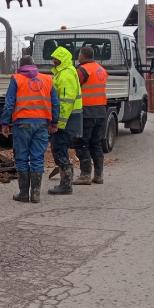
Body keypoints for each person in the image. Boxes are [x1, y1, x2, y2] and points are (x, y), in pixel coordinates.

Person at [0, 56, 59, 203]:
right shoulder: (47, 79)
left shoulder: (17, 79)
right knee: (37, 158)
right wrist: (54, 122)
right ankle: (36, 194)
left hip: (22, 124)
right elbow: (55, 103)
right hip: (42, 124)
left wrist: (5, 123)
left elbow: (9, 103)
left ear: (20, 66)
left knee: (22, 158)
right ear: (34, 65)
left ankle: (24, 194)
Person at [48, 45, 83, 195]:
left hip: (66, 120)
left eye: (55, 59)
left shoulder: (65, 75)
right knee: (59, 149)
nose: (53, 61)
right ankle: (65, 183)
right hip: (69, 119)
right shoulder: (64, 73)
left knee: (59, 149)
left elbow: (65, 102)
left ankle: (66, 185)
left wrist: (58, 123)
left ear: (61, 60)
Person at [74, 46, 108, 185]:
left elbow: (74, 87)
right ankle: (98, 175)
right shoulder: (101, 69)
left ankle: (85, 175)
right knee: (96, 143)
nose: (78, 57)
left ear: (82, 55)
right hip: (101, 111)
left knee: (82, 143)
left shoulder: (83, 70)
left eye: (79, 55)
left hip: (87, 111)